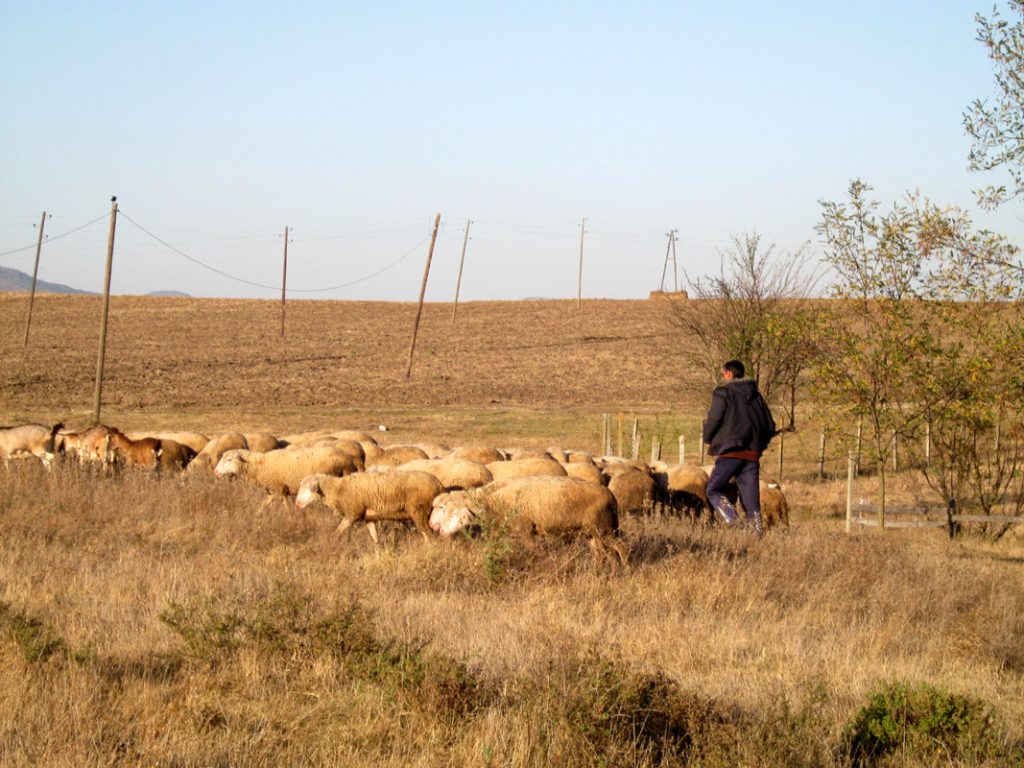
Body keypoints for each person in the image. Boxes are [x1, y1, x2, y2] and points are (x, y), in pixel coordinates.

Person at [702, 359, 775, 537]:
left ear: (728, 374)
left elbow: (715, 418)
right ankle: (757, 534)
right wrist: (760, 444)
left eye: (723, 374)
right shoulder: (757, 396)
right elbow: (770, 425)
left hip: (731, 451)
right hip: (752, 454)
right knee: (752, 500)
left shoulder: (724, 392)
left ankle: (733, 519)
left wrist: (707, 436)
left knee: (713, 489)